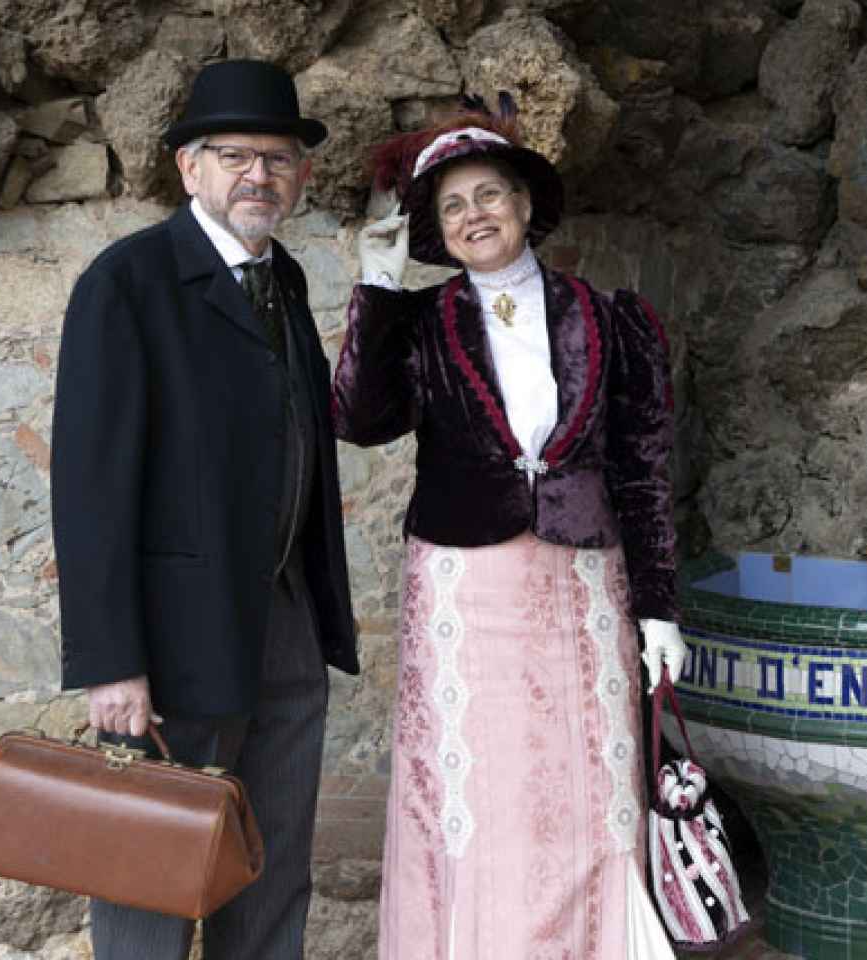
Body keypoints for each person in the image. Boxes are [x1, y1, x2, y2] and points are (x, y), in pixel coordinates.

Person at [331, 100, 689, 958]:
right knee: (482, 789)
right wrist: (376, 291)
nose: (473, 216)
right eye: (452, 207)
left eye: (489, 195)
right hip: (467, 584)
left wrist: (659, 610)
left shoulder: (609, 318)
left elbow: (643, 470)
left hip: (581, 585)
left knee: (584, 779)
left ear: (527, 206)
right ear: (437, 231)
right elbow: (358, 418)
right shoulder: (419, 324)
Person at [50, 59, 359, 960]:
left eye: (278, 157)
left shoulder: (288, 281)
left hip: (288, 624)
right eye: (235, 155)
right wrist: (112, 663)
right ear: (189, 167)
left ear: (299, 177)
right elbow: (91, 487)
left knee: (268, 869)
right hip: (174, 643)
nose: (259, 174)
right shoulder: (129, 282)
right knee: (149, 877)